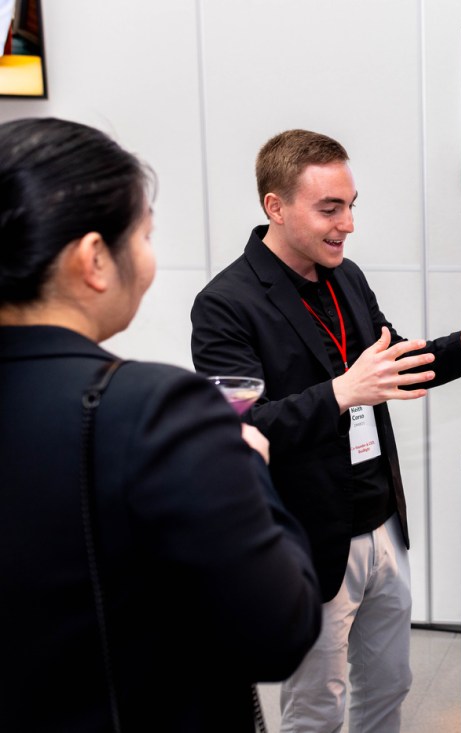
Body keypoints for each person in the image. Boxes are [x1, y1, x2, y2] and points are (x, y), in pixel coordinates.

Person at [190, 129, 461, 733]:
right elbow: (236, 429)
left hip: (380, 523)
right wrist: (341, 392)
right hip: (309, 535)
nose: (347, 224)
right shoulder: (226, 305)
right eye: (329, 209)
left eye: (351, 205)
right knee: (317, 706)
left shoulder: (346, 277)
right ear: (275, 206)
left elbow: (390, 365)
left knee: (390, 684)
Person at [0, 118, 322, 730]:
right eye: (144, 236)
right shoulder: (159, 410)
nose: (149, 260)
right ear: (94, 259)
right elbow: (279, 632)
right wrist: (248, 466)